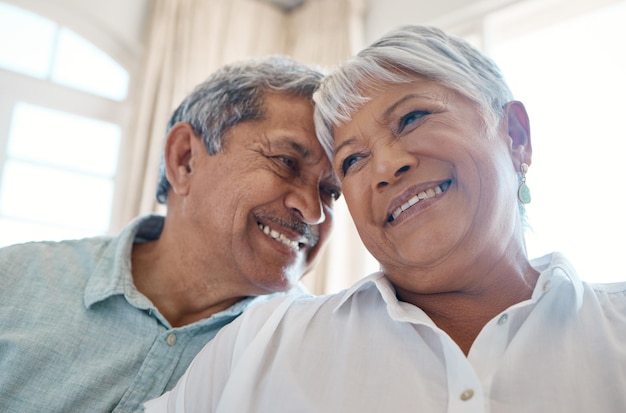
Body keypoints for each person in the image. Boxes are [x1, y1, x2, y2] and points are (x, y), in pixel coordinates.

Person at [144, 25, 626, 413]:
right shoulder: (262, 339)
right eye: (352, 161)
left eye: (412, 118)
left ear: (516, 137)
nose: (385, 167)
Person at [0, 56, 340, 413]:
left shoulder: (318, 355)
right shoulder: (14, 281)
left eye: (332, 191)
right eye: (286, 161)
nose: (314, 210)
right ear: (185, 159)